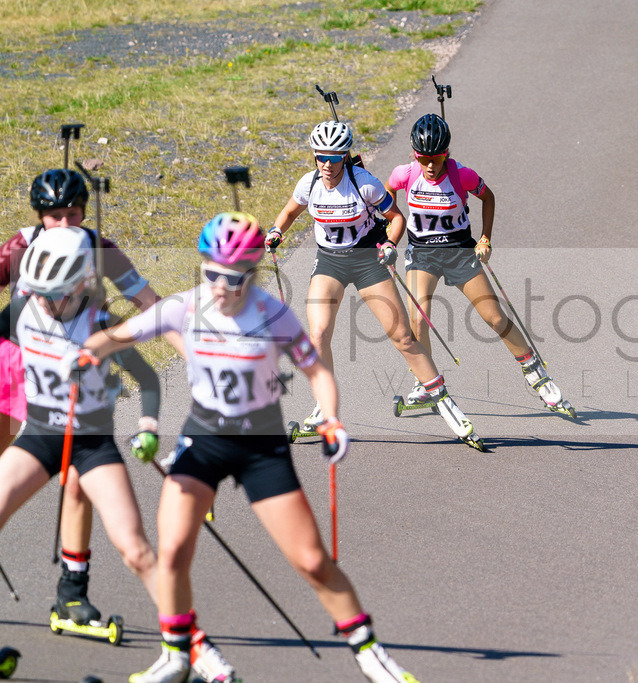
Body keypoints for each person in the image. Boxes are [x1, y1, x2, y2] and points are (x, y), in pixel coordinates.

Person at [69, 212, 419, 683]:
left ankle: (370, 654)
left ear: (251, 274)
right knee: (171, 552)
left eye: (232, 278)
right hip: (204, 440)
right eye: (210, 273)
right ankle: (176, 656)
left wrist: (332, 420)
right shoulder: (184, 307)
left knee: (312, 561)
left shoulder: (272, 313)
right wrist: (88, 353)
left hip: (261, 445)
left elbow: (316, 371)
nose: (219, 286)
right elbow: (116, 337)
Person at [0, 227, 232, 683]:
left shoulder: (100, 324)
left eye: (57, 296)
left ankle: (196, 649)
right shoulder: (25, 307)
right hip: (41, 437)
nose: (47, 304)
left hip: (90, 443)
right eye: (40, 294)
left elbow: (147, 379)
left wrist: (148, 425)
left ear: (81, 285)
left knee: (135, 549)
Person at [266, 120, 484, 450]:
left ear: (345, 157)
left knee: (401, 336)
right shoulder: (309, 184)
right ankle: (325, 409)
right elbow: (289, 212)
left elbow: (396, 218)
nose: (327, 164)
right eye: (320, 157)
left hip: (368, 261)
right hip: (330, 262)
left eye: (335, 157)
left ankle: (444, 403)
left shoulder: (363, 183)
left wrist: (390, 244)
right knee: (318, 333)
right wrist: (276, 231)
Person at [385, 113, 575, 418]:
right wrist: (393, 221)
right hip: (422, 254)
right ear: (414, 154)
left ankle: (537, 375)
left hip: (459, 250)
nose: (431, 165)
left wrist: (485, 238)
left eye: (437, 157)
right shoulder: (405, 174)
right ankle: (425, 383)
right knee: (419, 320)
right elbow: (387, 193)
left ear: (447, 152)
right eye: (424, 158)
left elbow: (488, 198)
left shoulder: (462, 175)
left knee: (495, 318)